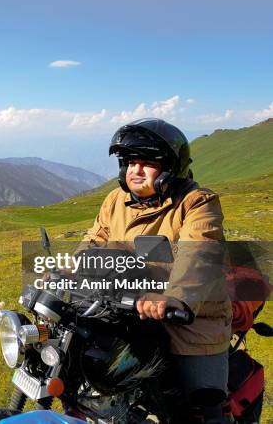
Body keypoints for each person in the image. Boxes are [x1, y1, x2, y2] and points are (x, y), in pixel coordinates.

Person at [83, 118, 233, 423]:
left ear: (169, 167)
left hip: (189, 318)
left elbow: (199, 255)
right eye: (130, 162)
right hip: (130, 310)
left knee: (201, 407)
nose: (136, 170)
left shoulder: (196, 202)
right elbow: (95, 241)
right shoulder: (116, 200)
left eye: (147, 162)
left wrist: (176, 298)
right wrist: (71, 269)